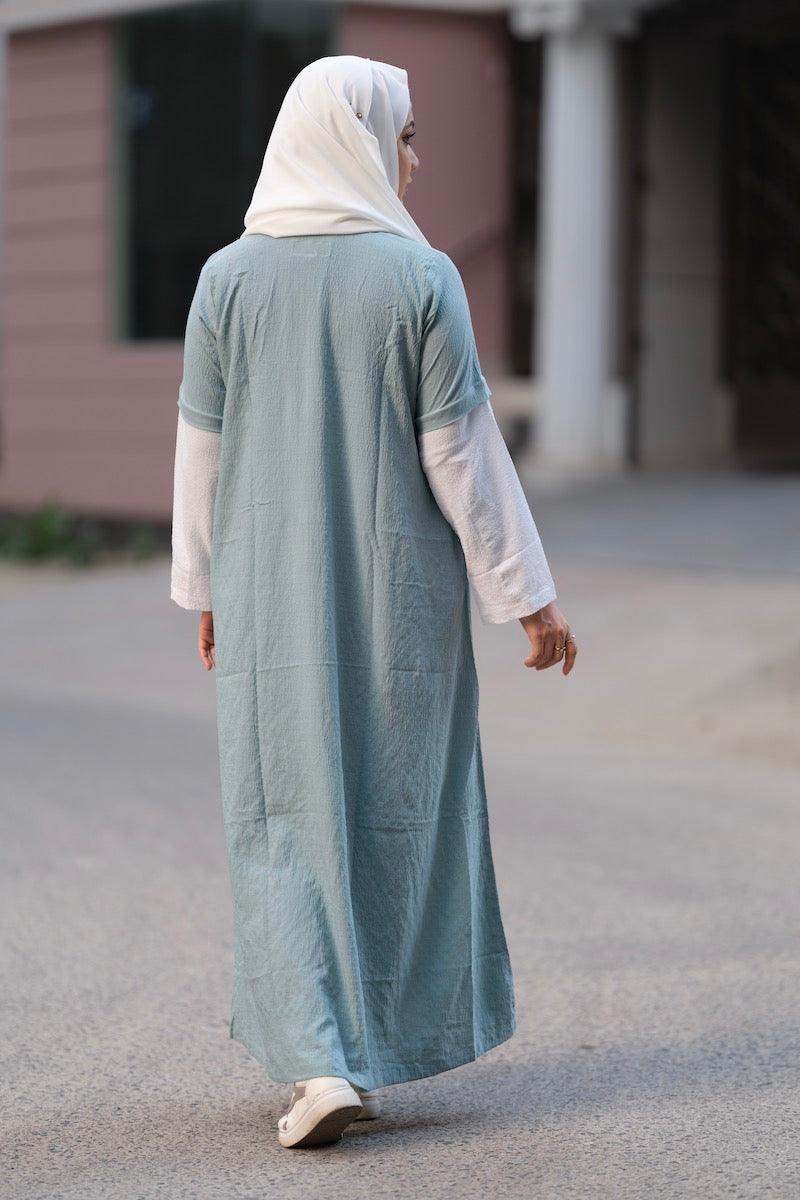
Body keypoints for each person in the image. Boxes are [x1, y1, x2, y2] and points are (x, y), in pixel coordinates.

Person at [170, 54, 577, 1150]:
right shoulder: (420, 279)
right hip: (401, 606)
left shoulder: (225, 281)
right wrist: (527, 597)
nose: (414, 159)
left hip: (266, 601)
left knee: (282, 817)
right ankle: (360, 1048)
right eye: (404, 135)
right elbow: (463, 458)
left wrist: (205, 588)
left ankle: (319, 1059)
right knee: (398, 809)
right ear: (355, 141)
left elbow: (201, 451)